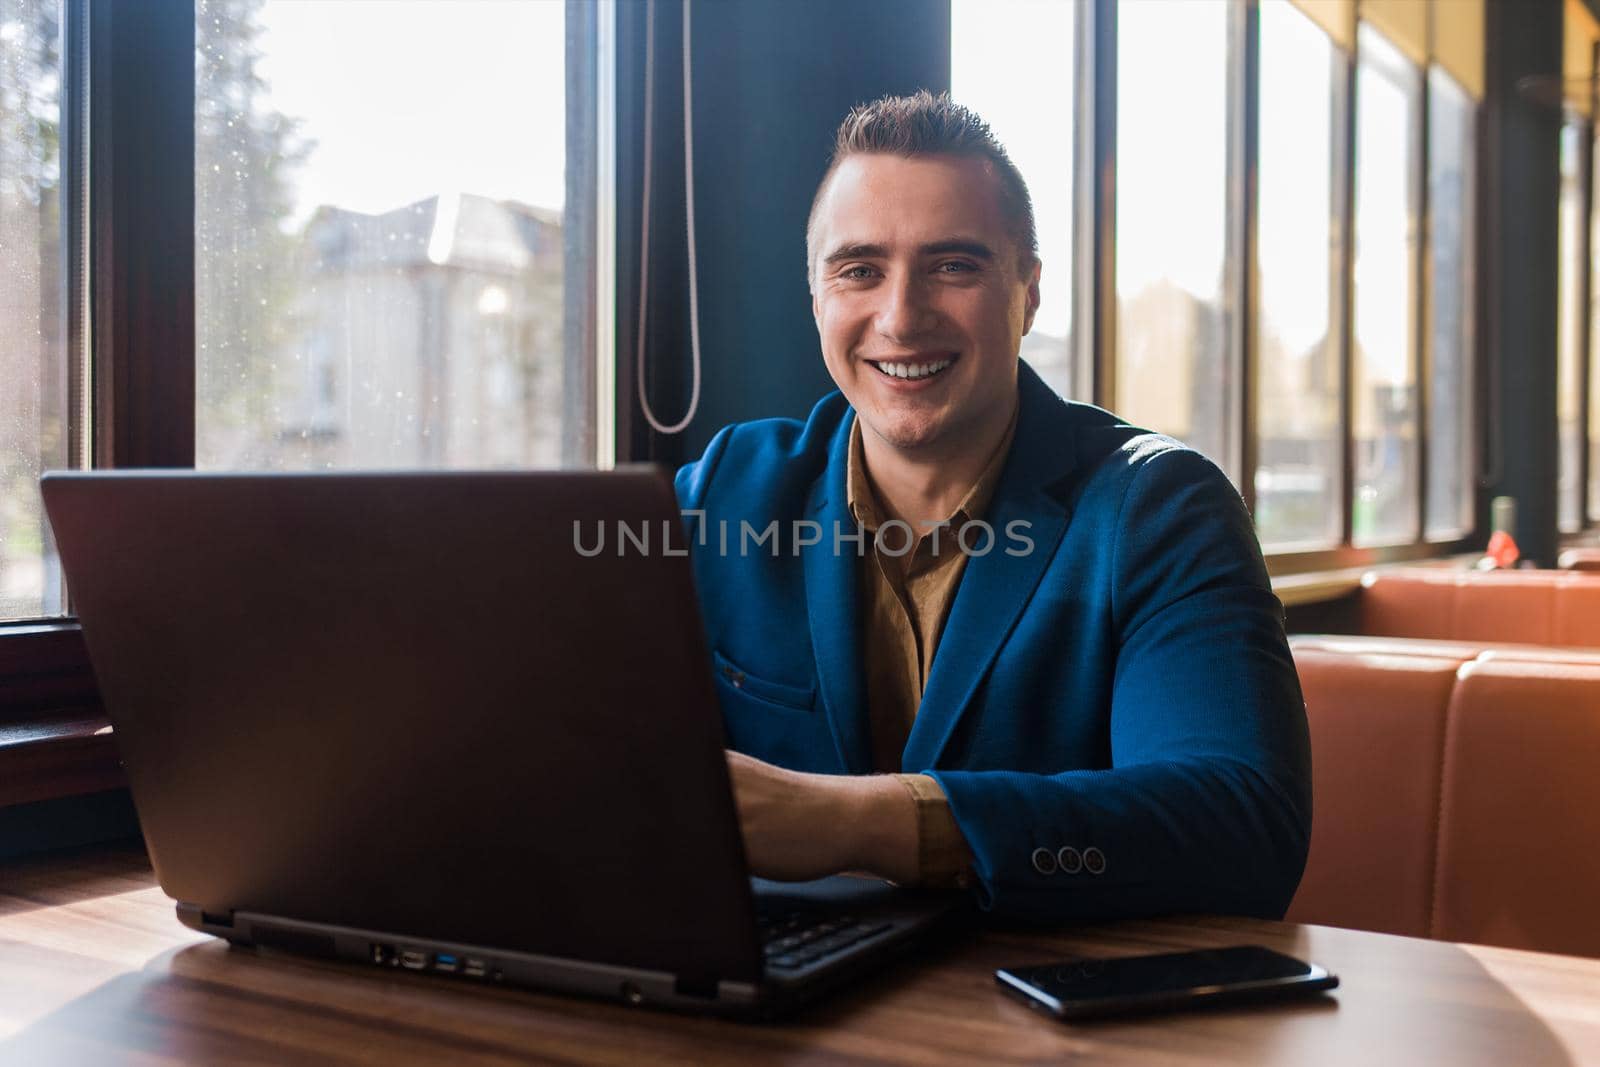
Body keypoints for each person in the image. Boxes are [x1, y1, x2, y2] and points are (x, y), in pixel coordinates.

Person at [675, 91, 1310, 920]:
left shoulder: (1159, 507)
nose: (900, 317)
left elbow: (1242, 829)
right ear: (817, 296)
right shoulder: (729, 486)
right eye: (859, 269)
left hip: (1045, 1025)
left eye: (953, 266)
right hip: (782, 1009)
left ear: (1028, 294)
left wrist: (848, 821)